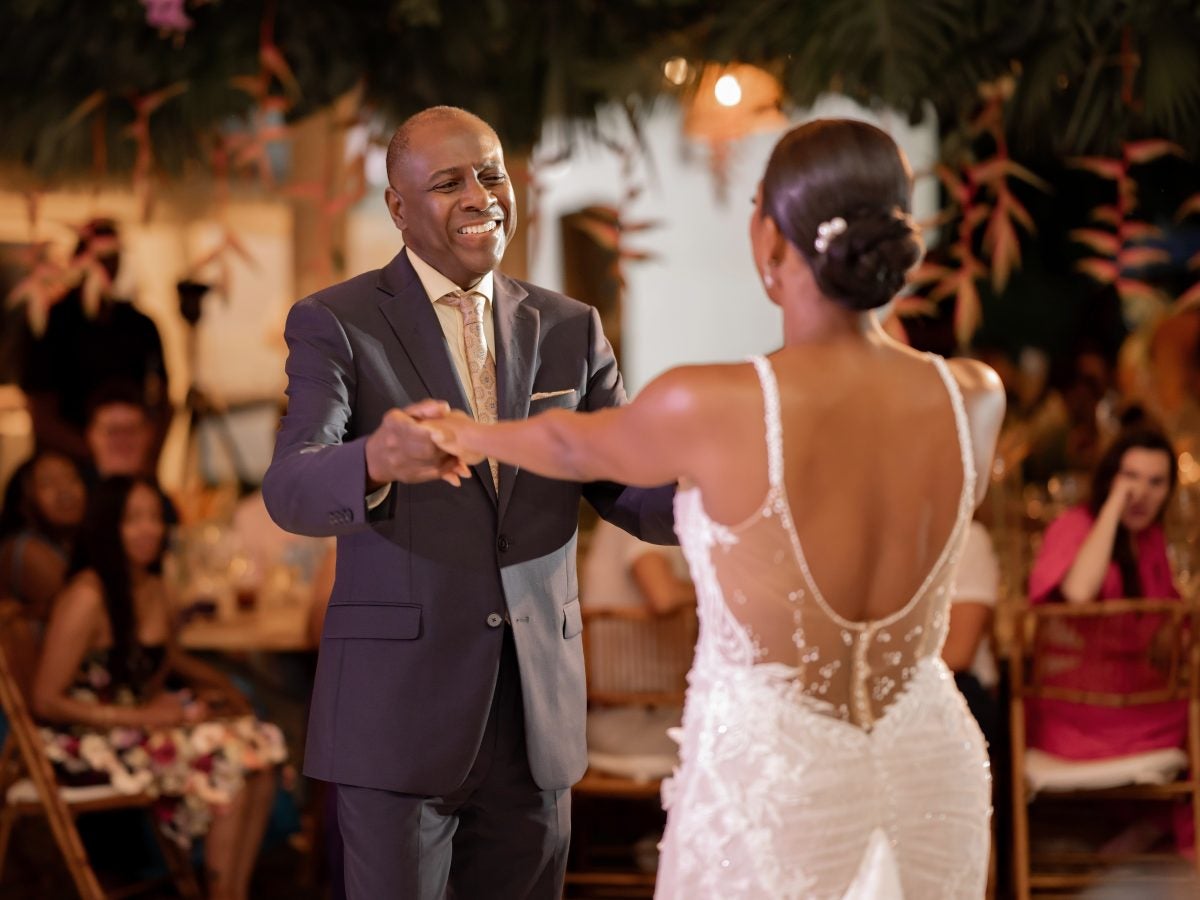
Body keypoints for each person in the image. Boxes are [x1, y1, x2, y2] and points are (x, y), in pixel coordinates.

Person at [428, 118, 1006, 897]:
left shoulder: (715, 402)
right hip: (929, 765)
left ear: (769, 239)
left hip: (778, 781)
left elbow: (571, 445)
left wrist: (464, 431)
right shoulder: (974, 395)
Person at [261, 105, 675, 900]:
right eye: (448, 181)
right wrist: (376, 459)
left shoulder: (570, 329)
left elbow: (624, 485)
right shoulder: (337, 322)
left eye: (490, 173)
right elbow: (289, 486)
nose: (479, 194)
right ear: (397, 206)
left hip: (536, 720)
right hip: (397, 719)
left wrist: (722, 493)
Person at [31, 475, 285, 900]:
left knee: (259, 739)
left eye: (155, 517)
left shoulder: (153, 586)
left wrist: (218, 689)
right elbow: (45, 699)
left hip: (136, 727)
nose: (148, 528)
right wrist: (143, 716)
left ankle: (234, 890)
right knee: (229, 755)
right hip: (83, 740)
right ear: (107, 526)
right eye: (133, 519)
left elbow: (163, 661)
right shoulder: (88, 595)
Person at [1027, 426, 1186, 759]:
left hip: (1137, 700)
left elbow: (1170, 624)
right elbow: (1079, 593)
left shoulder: (1150, 539)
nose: (1140, 492)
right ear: (1110, 476)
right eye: (1130, 476)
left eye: (1156, 482)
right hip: (1077, 712)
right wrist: (1114, 505)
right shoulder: (1076, 525)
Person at [19, 218, 171, 464]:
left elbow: (163, 402)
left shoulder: (140, 325)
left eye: (113, 256)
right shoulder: (51, 323)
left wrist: (143, 458)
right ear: (79, 259)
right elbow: (40, 410)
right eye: (100, 256)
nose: (107, 266)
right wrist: (98, 455)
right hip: (66, 461)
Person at [0, 449, 87, 624]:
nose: (65, 490)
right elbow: (85, 610)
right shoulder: (25, 548)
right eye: (47, 483)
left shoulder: (68, 543)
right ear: (23, 501)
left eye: (71, 478)